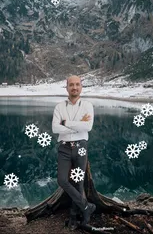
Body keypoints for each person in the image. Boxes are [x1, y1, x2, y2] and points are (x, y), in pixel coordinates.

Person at [52, 75, 96, 230]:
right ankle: (86, 206)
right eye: (71, 85)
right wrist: (78, 124)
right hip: (64, 148)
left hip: (80, 147)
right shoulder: (59, 107)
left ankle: (74, 216)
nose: (74, 87)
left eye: (77, 84)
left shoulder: (88, 106)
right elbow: (55, 129)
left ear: (81, 87)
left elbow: (88, 127)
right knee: (63, 180)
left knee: (78, 182)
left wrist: (66, 123)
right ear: (67, 87)